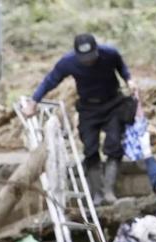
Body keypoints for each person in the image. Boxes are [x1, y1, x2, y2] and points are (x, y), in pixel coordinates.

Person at [23, 33, 138, 205]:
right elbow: (50, 81)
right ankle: (96, 194)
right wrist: (33, 102)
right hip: (88, 109)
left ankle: (109, 191)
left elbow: (122, 69)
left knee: (114, 145)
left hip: (113, 104)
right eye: (84, 59)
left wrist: (129, 80)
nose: (88, 61)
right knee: (90, 149)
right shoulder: (68, 62)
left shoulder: (110, 54)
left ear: (97, 50)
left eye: (91, 57)